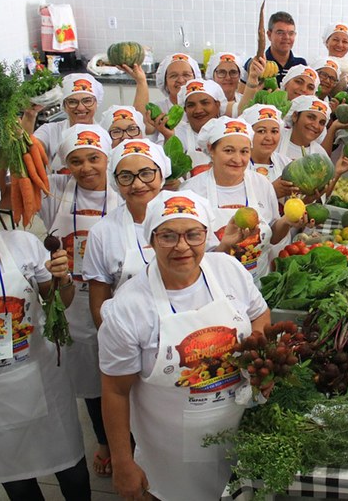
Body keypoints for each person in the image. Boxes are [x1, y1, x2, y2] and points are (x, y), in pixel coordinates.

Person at [99, 190, 271, 500]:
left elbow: (260, 314)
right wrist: (122, 461)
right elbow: (115, 391)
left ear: (206, 234)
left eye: (193, 234)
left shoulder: (228, 270)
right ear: (151, 240)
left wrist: (258, 356)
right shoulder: (127, 308)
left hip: (241, 429)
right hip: (170, 449)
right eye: (168, 236)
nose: (182, 247)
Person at [0, 166, 89, 500]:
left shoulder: (24, 246)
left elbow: (58, 302)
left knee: (69, 465)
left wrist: (63, 280)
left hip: (40, 377)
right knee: (12, 472)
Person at [38, 124, 121, 477]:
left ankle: (133, 441)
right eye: (76, 161)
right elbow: (7, 179)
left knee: (126, 371)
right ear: (66, 165)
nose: (86, 167)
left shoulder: (125, 189)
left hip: (119, 296)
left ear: (107, 158)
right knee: (89, 375)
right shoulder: (54, 193)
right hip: (75, 298)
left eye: (93, 158)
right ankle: (104, 440)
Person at [182, 117, 303, 283]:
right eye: (229, 151)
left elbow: (272, 235)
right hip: (212, 285)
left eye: (244, 151)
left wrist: (287, 221)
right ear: (211, 149)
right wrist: (225, 245)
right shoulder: (191, 192)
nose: (238, 159)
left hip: (257, 285)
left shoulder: (261, 184)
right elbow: (187, 256)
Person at [83, 138, 171, 331]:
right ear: (115, 182)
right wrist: (114, 345)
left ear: (161, 174)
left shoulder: (186, 216)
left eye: (146, 173)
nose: (138, 184)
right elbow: (99, 305)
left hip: (184, 331)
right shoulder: (103, 232)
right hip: (129, 332)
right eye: (126, 177)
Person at [30, 73, 103, 173]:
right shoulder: (50, 131)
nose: (81, 107)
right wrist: (30, 115)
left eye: (87, 101)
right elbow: (28, 150)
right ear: (64, 105)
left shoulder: (106, 133)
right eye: (72, 102)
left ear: (96, 103)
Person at [155, 78, 227, 177]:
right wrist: (168, 137)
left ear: (218, 105)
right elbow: (164, 168)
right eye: (191, 105)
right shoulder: (175, 132)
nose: (198, 110)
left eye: (205, 103)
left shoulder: (229, 130)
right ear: (185, 110)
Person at [126, 52, 200, 136]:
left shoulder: (205, 108)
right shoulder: (158, 109)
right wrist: (141, 82)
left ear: (196, 79)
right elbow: (142, 127)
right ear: (165, 82)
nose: (181, 80)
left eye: (186, 75)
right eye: (173, 76)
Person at [242, 104, 294, 199]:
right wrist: (272, 191)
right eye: (261, 131)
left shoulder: (286, 164)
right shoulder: (236, 165)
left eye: (274, 131)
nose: (269, 138)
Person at [251, 11, 306, 86]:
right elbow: (241, 95)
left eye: (291, 33)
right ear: (269, 35)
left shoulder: (300, 64)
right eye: (280, 32)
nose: (286, 37)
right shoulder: (257, 63)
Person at [205, 52, 246, 116]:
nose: (228, 77)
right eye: (221, 72)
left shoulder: (245, 101)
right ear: (212, 77)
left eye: (233, 72)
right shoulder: (204, 105)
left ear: (239, 76)